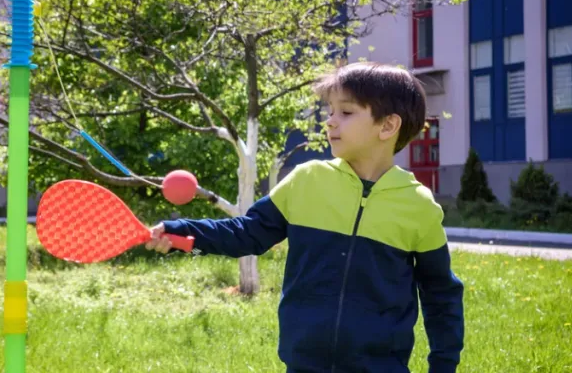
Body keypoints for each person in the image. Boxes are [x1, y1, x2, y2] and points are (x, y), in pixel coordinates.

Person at [147, 62, 464, 372]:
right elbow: (246, 232)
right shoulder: (306, 180)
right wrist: (180, 232)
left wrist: (443, 365)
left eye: (346, 112)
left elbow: (441, 295)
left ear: (388, 126)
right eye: (330, 111)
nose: (331, 122)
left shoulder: (418, 205)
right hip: (303, 364)